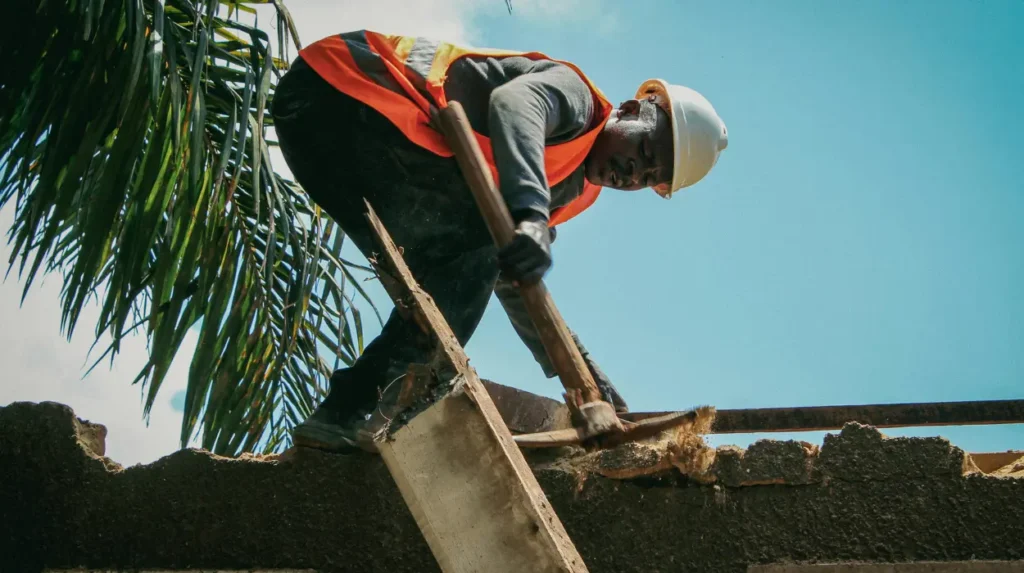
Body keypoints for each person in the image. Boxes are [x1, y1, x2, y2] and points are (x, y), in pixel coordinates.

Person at [271, 30, 729, 453]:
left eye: (650, 179)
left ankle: (341, 415)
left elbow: (510, 277)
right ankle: (378, 418)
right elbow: (515, 103)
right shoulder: (578, 101)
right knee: (467, 267)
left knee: (445, 304)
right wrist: (529, 214)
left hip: (344, 149)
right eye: (644, 152)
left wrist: (586, 377)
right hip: (341, 93)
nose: (633, 174)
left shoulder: (572, 189)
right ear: (630, 111)